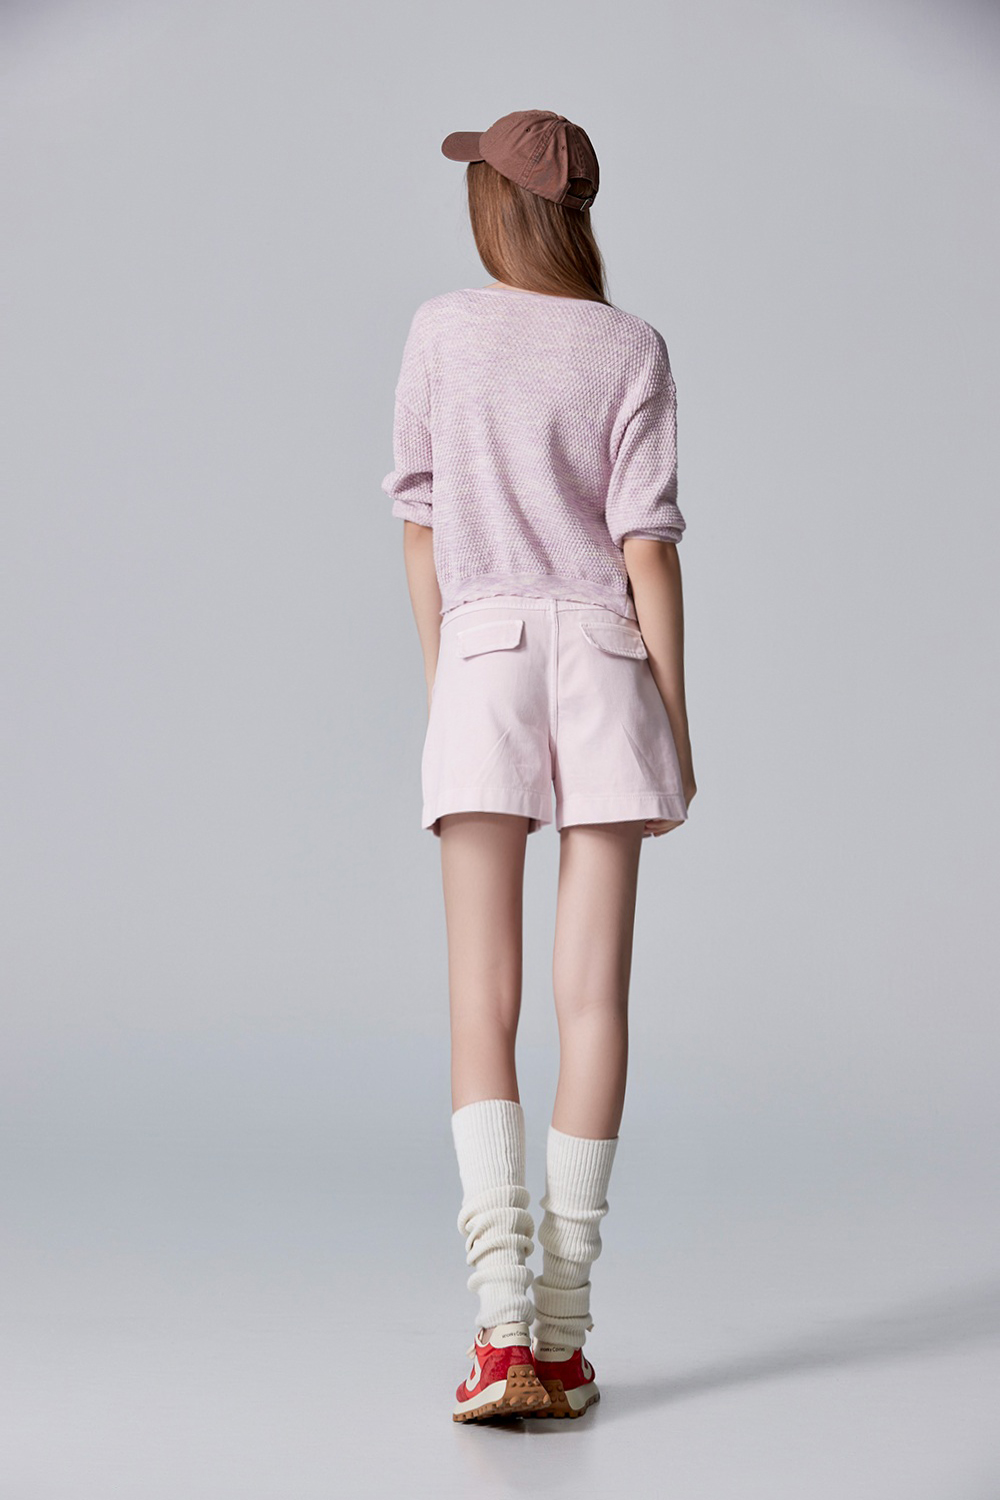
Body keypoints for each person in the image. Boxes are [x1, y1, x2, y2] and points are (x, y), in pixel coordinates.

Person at [381, 109, 697, 1423]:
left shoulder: (442, 329)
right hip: (608, 656)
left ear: (494, 206)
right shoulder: (633, 346)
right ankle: (562, 1343)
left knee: (483, 995)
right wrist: (674, 723)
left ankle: (502, 1328)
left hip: (486, 646)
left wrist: (450, 682)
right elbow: (647, 548)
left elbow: (420, 526)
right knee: (594, 1001)